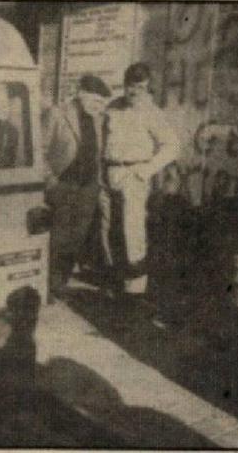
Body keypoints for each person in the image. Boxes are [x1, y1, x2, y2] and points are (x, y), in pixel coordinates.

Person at [99, 63, 180, 308]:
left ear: (147, 89)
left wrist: (146, 171)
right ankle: (114, 279)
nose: (135, 92)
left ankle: (135, 292)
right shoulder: (112, 107)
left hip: (134, 174)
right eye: (132, 87)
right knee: (107, 228)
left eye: (141, 88)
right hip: (110, 172)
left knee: (132, 232)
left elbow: (172, 146)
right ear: (125, 85)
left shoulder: (151, 113)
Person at [42, 75, 112, 299]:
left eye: (103, 103)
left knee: (77, 237)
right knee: (58, 237)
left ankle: (61, 282)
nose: (100, 107)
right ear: (81, 94)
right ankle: (49, 285)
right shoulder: (57, 113)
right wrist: (50, 181)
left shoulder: (98, 119)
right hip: (63, 185)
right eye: (96, 101)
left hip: (88, 187)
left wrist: (98, 185)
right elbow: (38, 150)